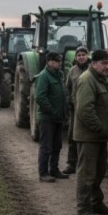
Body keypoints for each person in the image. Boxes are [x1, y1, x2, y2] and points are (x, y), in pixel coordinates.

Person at [73, 50, 108, 215]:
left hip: (98, 136)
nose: (107, 67)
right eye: (104, 63)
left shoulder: (100, 79)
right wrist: (99, 128)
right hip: (89, 136)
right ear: (95, 63)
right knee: (87, 173)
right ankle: (83, 209)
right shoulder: (87, 80)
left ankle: (96, 202)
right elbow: (85, 110)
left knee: (98, 172)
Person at [34, 52, 69, 182]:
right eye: (57, 61)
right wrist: (52, 111)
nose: (60, 63)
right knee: (46, 146)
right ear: (49, 62)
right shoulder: (44, 76)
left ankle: (54, 169)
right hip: (48, 118)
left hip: (58, 117)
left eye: (60, 60)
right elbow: (40, 97)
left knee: (57, 145)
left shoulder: (59, 75)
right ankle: (43, 173)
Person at [63, 46, 90, 175]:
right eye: (78, 55)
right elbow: (67, 88)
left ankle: (88, 166)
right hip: (75, 109)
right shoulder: (72, 71)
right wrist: (69, 101)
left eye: (83, 54)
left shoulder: (92, 70)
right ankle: (71, 163)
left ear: (87, 55)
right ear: (76, 57)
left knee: (90, 137)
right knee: (72, 136)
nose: (81, 57)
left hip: (89, 109)